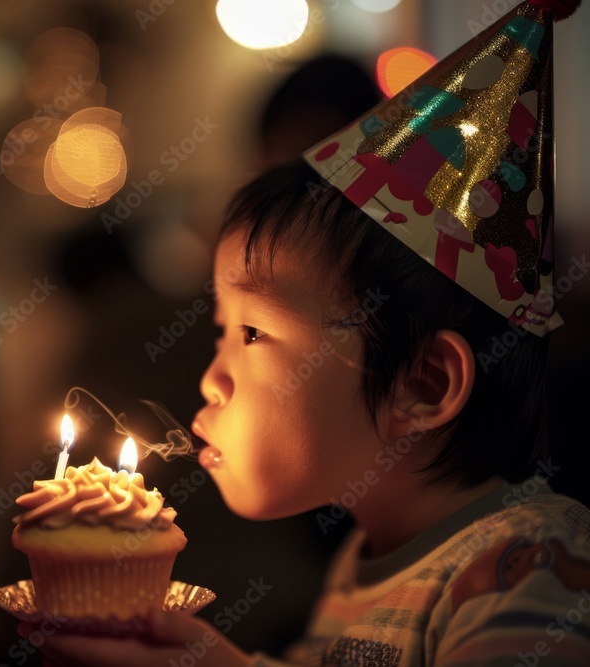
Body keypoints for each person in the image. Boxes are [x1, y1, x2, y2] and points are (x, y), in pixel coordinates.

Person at [30, 1, 590, 664]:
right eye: (220, 334)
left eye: (255, 333)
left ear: (424, 381)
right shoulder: (363, 560)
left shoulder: (529, 563)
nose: (211, 379)